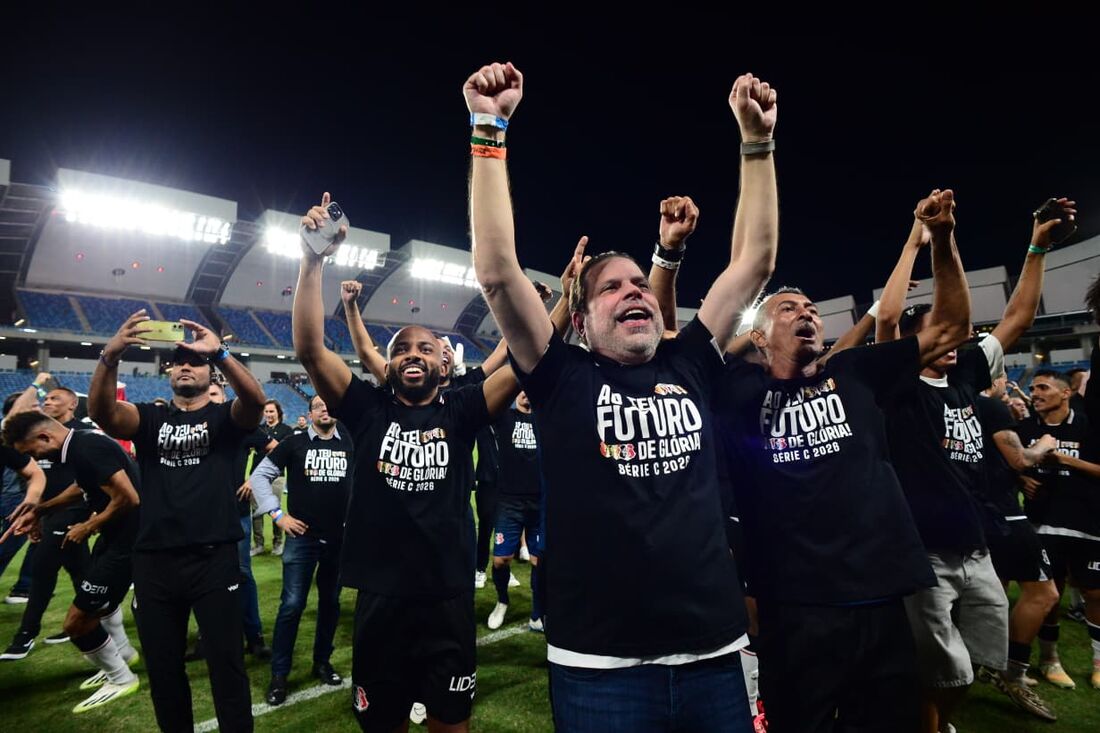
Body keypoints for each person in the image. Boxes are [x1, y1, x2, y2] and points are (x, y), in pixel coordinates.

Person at [466, 61, 776, 731]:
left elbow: (754, 262)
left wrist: (757, 142)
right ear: (579, 319)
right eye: (611, 286)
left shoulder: (689, 362)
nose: (634, 290)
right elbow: (496, 271)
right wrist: (489, 128)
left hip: (715, 653)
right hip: (598, 666)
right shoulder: (560, 377)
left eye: (639, 282)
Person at [295, 192, 521, 732]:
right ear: (386, 364)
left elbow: (527, 360)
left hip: (447, 598)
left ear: (443, 366)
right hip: (381, 599)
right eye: (400, 349)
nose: (412, 354)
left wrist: (557, 311)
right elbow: (310, 349)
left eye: (423, 349)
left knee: (451, 723)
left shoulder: (463, 409)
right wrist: (311, 259)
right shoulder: (366, 409)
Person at [876, 197, 1073, 732]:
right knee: (941, 668)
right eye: (940, 327)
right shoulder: (896, 386)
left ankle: (938, 722)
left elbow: (1018, 318)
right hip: (925, 554)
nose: (955, 335)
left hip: (977, 548)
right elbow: (888, 319)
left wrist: (1036, 248)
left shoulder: (964, 377)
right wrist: (931, 240)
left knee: (977, 664)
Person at [89, 313, 266, 733]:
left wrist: (220, 352)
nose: (186, 366)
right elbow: (104, 414)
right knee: (164, 672)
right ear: (169, 373)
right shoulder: (151, 419)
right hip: (155, 563)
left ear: (209, 373)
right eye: (179, 362)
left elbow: (255, 403)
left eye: (195, 362)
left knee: (228, 667)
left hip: (214, 559)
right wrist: (110, 357)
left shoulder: (224, 419)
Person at [2, 411, 141, 714]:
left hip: (127, 543)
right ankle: (123, 655)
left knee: (76, 622)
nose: (35, 459)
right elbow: (81, 488)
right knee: (100, 607)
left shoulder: (87, 447)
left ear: (44, 437)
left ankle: (121, 678)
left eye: (32, 452)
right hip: (115, 538)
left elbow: (129, 498)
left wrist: (88, 526)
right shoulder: (79, 446)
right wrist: (40, 510)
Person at [251, 394, 354, 704]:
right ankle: (279, 675)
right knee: (292, 605)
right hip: (302, 537)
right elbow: (260, 476)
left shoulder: (349, 441)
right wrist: (278, 515)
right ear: (309, 414)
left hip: (338, 539)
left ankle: (322, 662)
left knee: (330, 602)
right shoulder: (294, 443)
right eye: (317, 406)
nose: (324, 409)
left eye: (328, 405)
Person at [976, 375, 1061, 720]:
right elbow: (1021, 459)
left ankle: (982, 661)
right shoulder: (988, 406)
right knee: (1045, 593)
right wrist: (1044, 445)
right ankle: (1011, 672)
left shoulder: (946, 403)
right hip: (1004, 514)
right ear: (993, 378)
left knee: (989, 593)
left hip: (974, 511)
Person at [1016, 369, 1100, 691]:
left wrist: (1064, 460)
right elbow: (1006, 464)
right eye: (1033, 388)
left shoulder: (1089, 426)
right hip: (1042, 523)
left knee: (1095, 593)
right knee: (1050, 594)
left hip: (1088, 522)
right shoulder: (1025, 429)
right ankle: (1050, 659)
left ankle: (1098, 662)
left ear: (1065, 393)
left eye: (1043, 388)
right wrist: (1021, 479)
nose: (1035, 393)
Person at [1, 385, 95, 659]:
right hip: (48, 511)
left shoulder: (83, 434)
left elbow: (92, 479)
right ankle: (87, 624)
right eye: (47, 398)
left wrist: (92, 517)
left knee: (42, 566)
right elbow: (38, 476)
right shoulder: (37, 435)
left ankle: (26, 634)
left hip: (74, 509)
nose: (48, 402)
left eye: (55, 398)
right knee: (81, 572)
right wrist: (38, 514)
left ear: (72, 405)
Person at [485, 391, 543, 632]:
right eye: (521, 389)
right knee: (501, 560)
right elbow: (487, 399)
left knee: (539, 560)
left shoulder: (544, 417)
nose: (526, 394)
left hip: (539, 501)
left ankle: (537, 614)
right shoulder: (504, 418)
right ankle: (502, 601)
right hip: (509, 502)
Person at [252, 399, 293, 556]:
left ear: (278, 413)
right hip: (256, 474)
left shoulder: (286, 430)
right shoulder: (258, 429)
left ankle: (278, 542)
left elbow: (286, 452)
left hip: (277, 475)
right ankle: (258, 544)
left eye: (271, 411)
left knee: (274, 509)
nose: (268, 414)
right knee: (256, 511)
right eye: (266, 411)